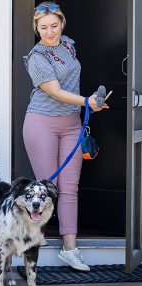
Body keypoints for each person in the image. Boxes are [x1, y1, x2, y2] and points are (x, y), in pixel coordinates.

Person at [23, 1, 109, 272]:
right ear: (36, 28)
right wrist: (87, 101)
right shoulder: (36, 58)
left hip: (72, 125)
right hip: (41, 124)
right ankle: (32, 246)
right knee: (47, 189)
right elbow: (57, 92)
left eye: (54, 25)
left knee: (70, 189)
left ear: (62, 24)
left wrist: (91, 101)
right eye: (43, 27)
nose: (49, 32)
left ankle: (70, 250)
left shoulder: (69, 45)